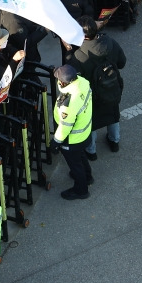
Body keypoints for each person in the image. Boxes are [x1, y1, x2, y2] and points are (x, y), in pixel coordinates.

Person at [68, 17, 125, 155]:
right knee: (113, 115)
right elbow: (122, 62)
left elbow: (72, 79)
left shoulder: (78, 55)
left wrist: (69, 52)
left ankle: (91, 151)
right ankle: (114, 141)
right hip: (112, 88)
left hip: (92, 96)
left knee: (91, 123)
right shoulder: (110, 42)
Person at [52, 64, 92, 200]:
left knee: (75, 165)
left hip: (72, 139)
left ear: (62, 82)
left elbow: (65, 127)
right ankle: (88, 176)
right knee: (80, 156)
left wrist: (55, 142)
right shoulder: (83, 82)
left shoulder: (67, 104)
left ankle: (81, 190)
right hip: (85, 132)